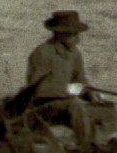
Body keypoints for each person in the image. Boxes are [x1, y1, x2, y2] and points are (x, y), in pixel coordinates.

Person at [26, 10, 97, 149]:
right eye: (74, 34)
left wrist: (90, 93)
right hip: (41, 109)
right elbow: (37, 90)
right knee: (75, 106)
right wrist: (68, 90)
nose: (78, 39)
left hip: (65, 104)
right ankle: (85, 148)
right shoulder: (42, 53)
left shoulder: (75, 53)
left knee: (105, 110)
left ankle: (98, 145)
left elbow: (80, 78)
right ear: (60, 33)